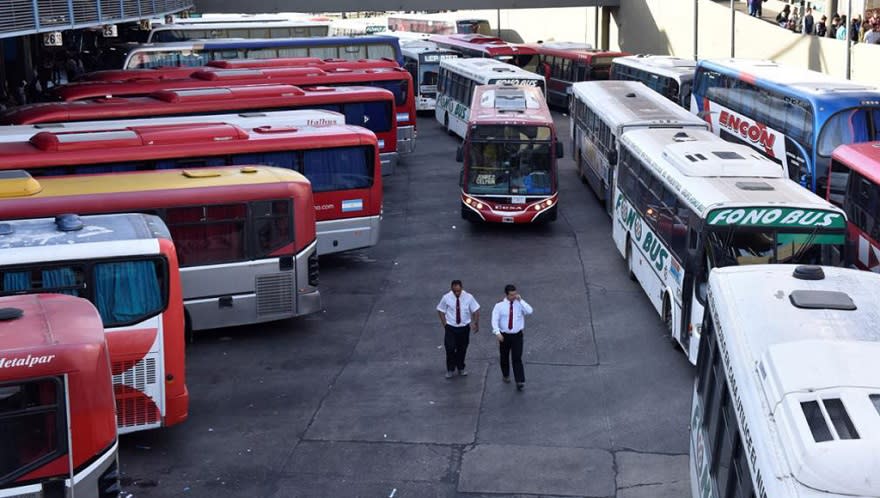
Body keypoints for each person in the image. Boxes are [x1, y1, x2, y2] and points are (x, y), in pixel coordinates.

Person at [491, 284, 533, 391]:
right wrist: (497, 333)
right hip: (504, 336)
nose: (514, 296)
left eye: (515, 294)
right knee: (504, 356)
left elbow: (530, 311)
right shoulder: (499, 306)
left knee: (517, 357)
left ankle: (519, 380)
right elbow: (494, 320)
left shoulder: (519, 304)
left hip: (517, 335)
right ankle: (505, 374)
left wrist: (521, 300)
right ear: (506, 295)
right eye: (511, 295)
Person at [436, 280, 480, 379]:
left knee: (462, 348)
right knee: (450, 348)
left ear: (461, 288)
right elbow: (440, 310)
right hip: (451, 327)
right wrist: (445, 324)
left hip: (464, 328)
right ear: (451, 289)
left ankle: (460, 367)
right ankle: (450, 369)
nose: (457, 293)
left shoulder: (469, 297)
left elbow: (476, 310)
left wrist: (476, 323)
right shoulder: (446, 298)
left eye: (458, 291)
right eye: (454, 291)